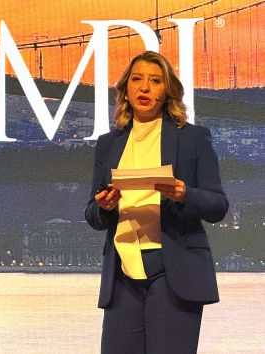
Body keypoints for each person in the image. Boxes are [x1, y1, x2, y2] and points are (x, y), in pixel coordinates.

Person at [85, 51, 229, 354]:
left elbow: (218, 205)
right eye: (136, 80)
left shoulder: (193, 138)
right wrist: (105, 206)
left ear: (168, 91)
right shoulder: (109, 143)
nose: (144, 88)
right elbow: (92, 213)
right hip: (122, 276)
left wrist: (184, 194)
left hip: (173, 272)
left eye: (155, 81)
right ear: (125, 89)